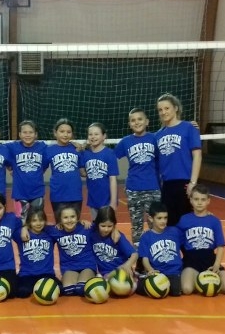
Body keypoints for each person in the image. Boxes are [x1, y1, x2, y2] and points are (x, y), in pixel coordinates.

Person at [114, 108, 161, 243]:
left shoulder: (155, 138)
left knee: (155, 224)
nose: (137, 122)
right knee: (136, 226)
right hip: (134, 189)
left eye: (140, 119)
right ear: (129, 124)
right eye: (133, 120)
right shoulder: (126, 141)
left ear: (147, 121)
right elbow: (110, 156)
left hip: (153, 188)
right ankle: (138, 252)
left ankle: (155, 249)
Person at [178, 184, 225, 295]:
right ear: (191, 200)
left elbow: (221, 246)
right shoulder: (184, 220)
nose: (199, 203)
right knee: (187, 289)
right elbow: (176, 241)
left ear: (208, 201)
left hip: (210, 260)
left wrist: (217, 265)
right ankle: (200, 279)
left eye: (203, 199)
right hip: (191, 260)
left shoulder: (214, 221)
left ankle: (203, 280)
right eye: (196, 199)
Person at [155, 93, 202, 226]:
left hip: (185, 183)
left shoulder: (189, 128)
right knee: (170, 225)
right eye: (160, 110)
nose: (163, 112)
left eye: (167, 108)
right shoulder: (157, 135)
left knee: (187, 224)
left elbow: (197, 156)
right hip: (167, 185)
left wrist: (193, 182)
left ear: (175, 108)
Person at [47, 205, 97, 296]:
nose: (69, 220)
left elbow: (104, 226)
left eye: (72, 217)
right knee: (68, 290)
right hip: (69, 266)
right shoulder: (55, 231)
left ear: (77, 217)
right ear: (60, 219)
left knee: (82, 289)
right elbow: (38, 225)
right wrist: (25, 228)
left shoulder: (86, 228)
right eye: (65, 217)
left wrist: (115, 231)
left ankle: (95, 278)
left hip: (87, 264)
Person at [136, 202, 184, 297]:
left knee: (175, 291)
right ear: (151, 218)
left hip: (173, 272)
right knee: (140, 288)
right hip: (157, 272)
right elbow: (145, 258)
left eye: (165, 218)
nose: (163, 221)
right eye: (159, 218)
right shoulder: (146, 237)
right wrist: (150, 270)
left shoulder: (175, 231)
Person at [6, 120, 48, 221]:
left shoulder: (43, 147)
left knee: (36, 222)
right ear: (19, 134)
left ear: (36, 134)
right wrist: (10, 168)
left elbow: (44, 166)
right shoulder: (12, 147)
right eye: (25, 132)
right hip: (20, 193)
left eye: (31, 132)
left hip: (37, 193)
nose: (28, 135)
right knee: (22, 223)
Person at [14, 207, 60, 298]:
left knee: (60, 290)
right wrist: (24, 228)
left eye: (41, 220)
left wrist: (81, 222)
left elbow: (66, 228)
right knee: (22, 292)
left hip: (46, 273)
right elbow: (9, 225)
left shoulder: (50, 232)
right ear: (29, 222)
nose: (38, 223)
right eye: (34, 221)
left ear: (45, 221)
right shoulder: (21, 234)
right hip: (27, 274)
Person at [44, 118, 83, 221]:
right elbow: (40, 170)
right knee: (60, 225)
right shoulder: (48, 150)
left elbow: (83, 172)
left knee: (74, 224)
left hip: (75, 194)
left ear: (72, 134)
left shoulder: (77, 149)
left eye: (68, 132)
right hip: (58, 195)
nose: (65, 134)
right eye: (62, 131)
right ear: (55, 133)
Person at [90, 206, 138, 284]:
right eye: (103, 226)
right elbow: (82, 225)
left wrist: (127, 265)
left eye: (110, 226)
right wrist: (83, 222)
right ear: (97, 224)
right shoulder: (92, 232)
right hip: (105, 274)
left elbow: (135, 254)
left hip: (120, 271)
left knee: (121, 287)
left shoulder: (118, 237)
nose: (106, 229)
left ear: (114, 225)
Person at [81, 122, 119, 219]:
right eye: (90, 134)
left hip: (107, 200)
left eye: (96, 134)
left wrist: (113, 202)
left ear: (104, 136)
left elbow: (113, 179)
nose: (93, 137)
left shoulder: (109, 154)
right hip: (93, 199)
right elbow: (83, 173)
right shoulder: (85, 154)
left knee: (107, 225)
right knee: (95, 226)